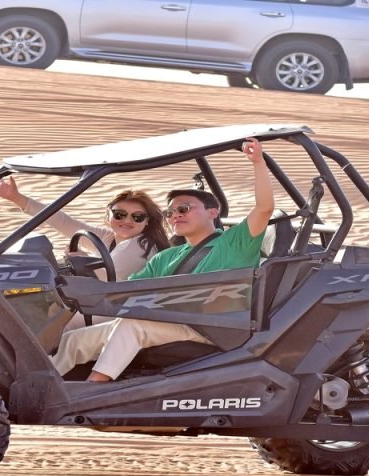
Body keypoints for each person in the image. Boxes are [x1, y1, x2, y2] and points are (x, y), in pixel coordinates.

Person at [51, 137, 275, 382]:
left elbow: (264, 208)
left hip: (214, 327)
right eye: (170, 212)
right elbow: (129, 290)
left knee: (131, 326)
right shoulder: (167, 256)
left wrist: (258, 163)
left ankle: (92, 389)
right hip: (172, 321)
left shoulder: (235, 242)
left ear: (213, 212)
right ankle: (45, 389)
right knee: (76, 338)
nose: (175, 215)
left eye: (184, 209)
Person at [0, 178, 170, 282]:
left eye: (137, 217)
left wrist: (83, 259)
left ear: (147, 222)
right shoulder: (109, 237)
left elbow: (106, 276)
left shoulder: (140, 245)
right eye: (119, 214)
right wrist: (16, 198)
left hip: (122, 308)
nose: (127, 220)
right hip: (104, 301)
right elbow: (63, 222)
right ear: (109, 215)